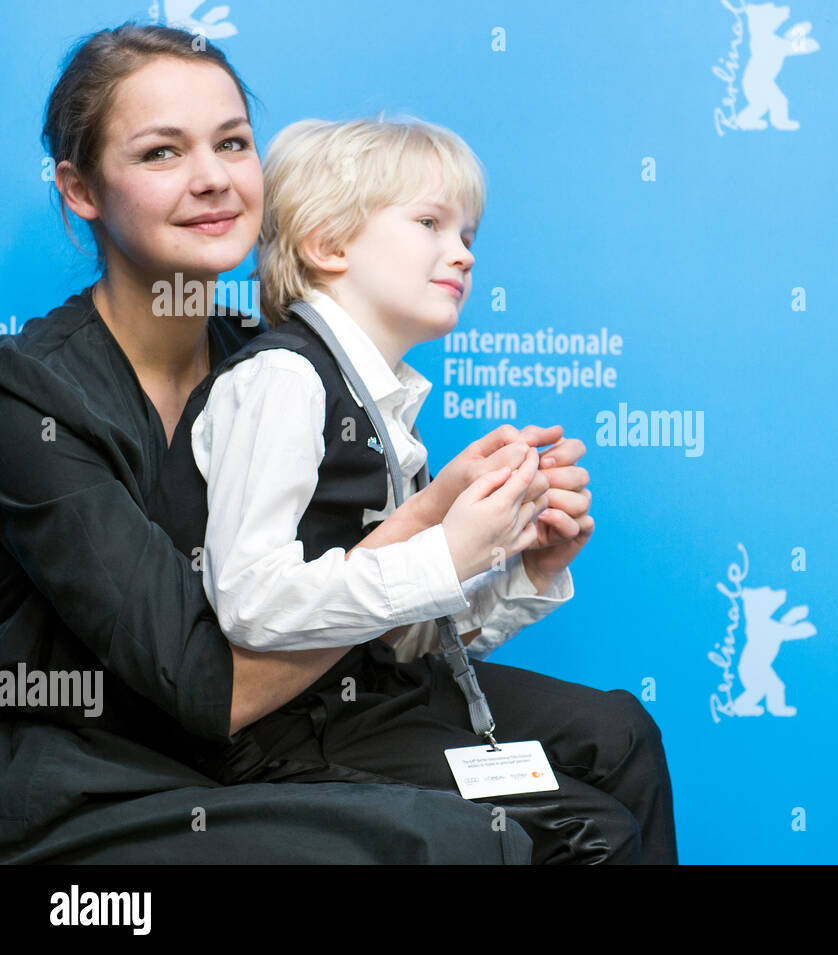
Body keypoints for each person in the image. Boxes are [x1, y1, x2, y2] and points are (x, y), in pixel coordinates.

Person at [0, 21, 671, 864]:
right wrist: (433, 532)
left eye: (234, 143)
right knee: (483, 835)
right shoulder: (31, 395)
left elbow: (384, 628)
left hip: (312, 715)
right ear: (80, 187)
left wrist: (511, 557)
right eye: (161, 153)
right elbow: (212, 684)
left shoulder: (299, 356)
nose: (212, 178)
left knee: (617, 737)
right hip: (122, 769)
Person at [147, 114, 678, 864]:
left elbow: (404, 636)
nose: (460, 253)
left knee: (622, 732)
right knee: (595, 829)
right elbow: (251, 600)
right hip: (292, 733)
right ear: (328, 245)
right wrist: (450, 551)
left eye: (468, 235)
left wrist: (525, 567)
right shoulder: (282, 381)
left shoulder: (387, 406)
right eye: (430, 222)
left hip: (384, 693)